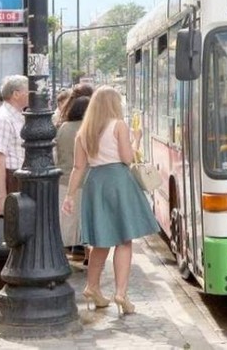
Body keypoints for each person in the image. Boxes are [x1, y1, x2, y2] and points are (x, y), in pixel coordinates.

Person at [62, 86, 159, 316]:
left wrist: (69, 196)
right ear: (113, 105)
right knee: (124, 240)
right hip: (118, 181)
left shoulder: (83, 132)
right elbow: (127, 158)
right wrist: (136, 141)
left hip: (95, 183)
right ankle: (121, 293)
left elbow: (78, 167)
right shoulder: (119, 126)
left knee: (101, 240)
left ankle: (92, 286)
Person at [0, 74, 29, 304]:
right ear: (16, 94)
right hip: (8, 179)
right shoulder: (2, 119)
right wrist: (1, 197)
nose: (30, 94)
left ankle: (11, 288)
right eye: (27, 90)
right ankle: (0, 292)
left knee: (15, 234)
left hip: (16, 178)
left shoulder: (17, 117)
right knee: (4, 236)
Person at [56, 96, 91, 263]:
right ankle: (88, 256)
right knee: (86, 222)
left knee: (67, 223)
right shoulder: (89, 129)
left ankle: (62, 257)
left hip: (64, 180)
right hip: (86, 180)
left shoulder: (63, 127)